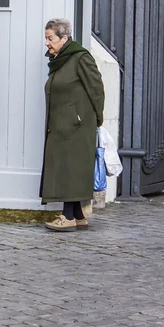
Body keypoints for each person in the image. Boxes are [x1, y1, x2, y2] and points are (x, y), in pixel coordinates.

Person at [40, 18, 105, 232]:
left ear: (64, 38)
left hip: (77, 126)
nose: (47, 43)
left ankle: (67, 217)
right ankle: (78, 216)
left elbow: (96, 88)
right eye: (46, 38)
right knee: (68, 168)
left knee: (70, 168)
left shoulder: (80, 58)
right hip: (63, 125)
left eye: (51, 38)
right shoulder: (60, 60)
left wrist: (96, 119)